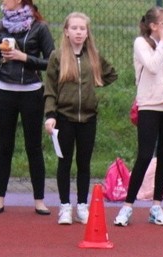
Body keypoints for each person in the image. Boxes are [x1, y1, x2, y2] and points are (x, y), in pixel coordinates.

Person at [43, 12, 118, 225]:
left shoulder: (93, 56)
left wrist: (94, 84)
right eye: (74, 28)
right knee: (64, 163)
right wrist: (50, 115)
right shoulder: (57, 57)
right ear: (66, 32)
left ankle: (82, 206)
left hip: (88, 119)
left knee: (83, 163)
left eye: (82, 29)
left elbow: (111, 74)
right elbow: (49, 90)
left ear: (87, 33)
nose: (78, 32)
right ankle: (65, 206)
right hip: (64, 118)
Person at [113, 7, 163, 227]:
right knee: (145, 155)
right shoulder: (141, 44)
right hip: (149, 106)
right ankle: (127, 206)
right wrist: (162, 41)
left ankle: (157, 206)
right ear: (153, 26)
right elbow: (153, 66)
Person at [0, 0, 55, 215]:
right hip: (5, 92)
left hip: (32, 93)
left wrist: (25, 58)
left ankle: (39, 201)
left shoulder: (39, 28)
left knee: (34, 147)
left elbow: (53, 61)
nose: (3, 1)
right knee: (4, 146)